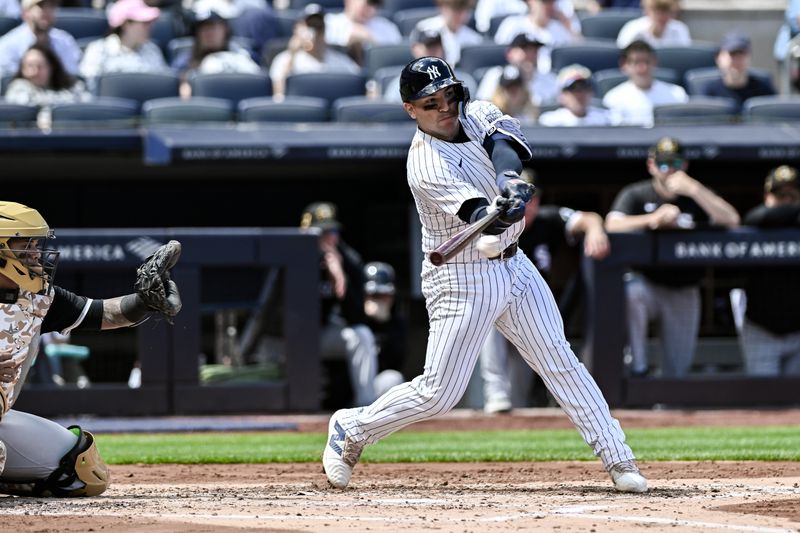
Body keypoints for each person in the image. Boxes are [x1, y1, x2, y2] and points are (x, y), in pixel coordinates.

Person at [322, 56, 648, 494]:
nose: (444, 107)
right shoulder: (424, 164)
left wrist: (509, 179)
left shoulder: (475, 112)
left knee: (559, 359)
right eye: (430, 102)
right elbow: (478, 216)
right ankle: (352, 429)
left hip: (513, 263)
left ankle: (618, 459)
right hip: (461, 277)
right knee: (439, 393)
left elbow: (503, 143)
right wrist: (496, 211)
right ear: (410, 109)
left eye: (448, 95)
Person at [0, 201, 182, 497]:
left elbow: (102, 313)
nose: (36, 254)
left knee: (80, 471)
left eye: (35, 244)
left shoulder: (34, 298)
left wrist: (146, 300)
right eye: (25, 245)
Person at [604, 137, 740, 378]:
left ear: (685, 165)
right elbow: (612, 224)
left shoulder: (697, 196)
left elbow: (731, 220)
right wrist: (653, 219)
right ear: (651, 165)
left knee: (677, 369)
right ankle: (638, 365)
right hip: (647, 282)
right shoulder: (637, 193)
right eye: (663, 164)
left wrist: (695, 190)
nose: (669, 170)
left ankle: (668, 407)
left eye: (675, 163)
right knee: (631, 291)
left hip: (684, 287)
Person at [480, 168, 611, 413]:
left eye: (532, 199)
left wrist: (595, 229)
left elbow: (589, 217)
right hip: (498, 303)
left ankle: (512, 417)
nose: (527, 205)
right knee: (489, 318)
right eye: (520, 199)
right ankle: (495, 392)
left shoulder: (547, 220)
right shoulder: (493, 223)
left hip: (530, 307)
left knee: (520, 384)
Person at [300, 202, 382, 408]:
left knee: (361, 335)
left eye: (333, 231)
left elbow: (356, 316)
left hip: (319, 335)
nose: (330, 238)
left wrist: (340, 277)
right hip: (283, 339)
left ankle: (365, 408)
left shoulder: (346, 258)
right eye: (323, 232)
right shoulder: (291, 256)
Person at [738, 165, 800, 376]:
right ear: (767, 196)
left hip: (797, 332)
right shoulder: (757, 221)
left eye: (792, 195)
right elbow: (755, 217)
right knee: (763, 403)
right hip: (762, 330)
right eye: (780, 195)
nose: (787, 200)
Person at [268, 4, 360, 97]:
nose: (315, 33)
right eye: (310, 26)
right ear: (297, 29)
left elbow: (359, 84)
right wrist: (293, 54)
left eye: (319, 27)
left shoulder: (340, 61)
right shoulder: (283, 60)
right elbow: (279, 96)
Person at [172, 8, 260, 96]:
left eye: (213, 27)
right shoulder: (185, 62)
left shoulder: (242, 55)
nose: (209, 33)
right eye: (204, 29)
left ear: (225, 30)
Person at [79, 0, 170, 84]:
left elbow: (163, 84)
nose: (150, 28)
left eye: (150, 23)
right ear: (126, 24)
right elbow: (89, 84)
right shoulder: (98, 50)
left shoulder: (153, 50)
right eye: (144, 23)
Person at [4, 43, 92, 129]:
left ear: (52, 67)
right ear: (22, 69)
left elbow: (85, 106)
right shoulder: (17, 87)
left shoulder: (73, 87)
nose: (35, 72)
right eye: (30, 66)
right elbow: (23, 105)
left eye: (40, 66)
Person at [602, 39, 687, 127]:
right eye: (636, 62)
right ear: (624, 65)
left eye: (647, 62)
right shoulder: (614, 98)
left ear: (654, 62)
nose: (643, 68)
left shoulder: (677, 94)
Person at [494, 0, 581, 74]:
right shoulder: (512, 24)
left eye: (552, 2)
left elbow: (577, 56)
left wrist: (569, 26)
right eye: (544, 1)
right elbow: (498, 56)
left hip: (549, 80)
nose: (549, 6)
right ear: (531, 1)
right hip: (515, 80)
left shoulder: (561, 29)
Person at [0, 0, 82, 78]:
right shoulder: (7, 45)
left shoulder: (65, 41)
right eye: (41, 6)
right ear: (25, 13)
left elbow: (73, 76)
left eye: (52, 6)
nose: (47, 11)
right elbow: (9, 84)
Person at [699, 31, 775, 113]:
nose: (737, 60)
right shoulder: (709, 91)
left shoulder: (764, 89)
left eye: (742, 54)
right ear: (718, 57)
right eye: (732, 54)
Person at [475, 32, 559, 107]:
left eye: (534, 50)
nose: (530, 54)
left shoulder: (550, 79)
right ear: (509, 54)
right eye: (525, 49)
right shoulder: (496, 75)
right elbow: (483, 106)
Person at [362, 261, 407, 392]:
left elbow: (396, 362)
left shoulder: (395, 321)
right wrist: (363, 317)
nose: (381, 300)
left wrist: (385, 324)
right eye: (375, 295)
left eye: (385, 295)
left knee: (393, 378)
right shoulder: (350, 316)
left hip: (373, 390)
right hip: (347, 389)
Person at [324, 0, 402, 66]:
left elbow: (397, 59)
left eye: (374, 3)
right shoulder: (328, 24)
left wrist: (371, 41)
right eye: (366, 2)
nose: (369, 8)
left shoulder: (387, 27)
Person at [414, 0, 483, 67]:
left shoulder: (475, 39)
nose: (460, 15)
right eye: (455, 10)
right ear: (443, 8)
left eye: (464, 10)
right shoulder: (425, 28)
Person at [538, 63, 612, 126]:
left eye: (585, 88)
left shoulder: (606, 120)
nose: (580, 94)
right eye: (573, 89)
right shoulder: (550, 122)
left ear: (591, 92)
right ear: (561, 95)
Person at [616, 0, 690, 49]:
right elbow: (624, 57)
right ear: (647, 11)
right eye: (657, 11)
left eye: (667, 11)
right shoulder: (633, 29)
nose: (662, 16)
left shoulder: (680, 29)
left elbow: (685, 57)